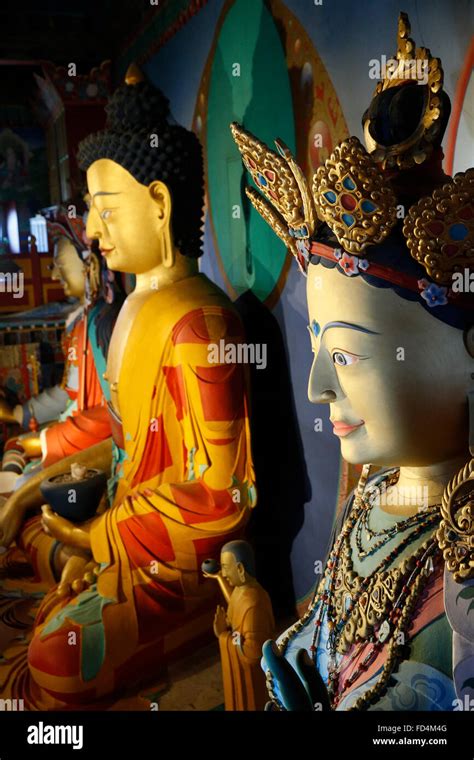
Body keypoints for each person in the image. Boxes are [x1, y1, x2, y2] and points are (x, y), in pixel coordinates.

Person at [231, 13, 474, 711]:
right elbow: (332, 621)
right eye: (316, 347)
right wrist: (296, 646)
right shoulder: (374, 494)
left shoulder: (468, 562)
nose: (315, 386)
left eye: (344, 353)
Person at [0, 65, 255, 709]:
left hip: (180, 565)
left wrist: (106, 537)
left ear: (161, 205)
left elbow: (225, 493)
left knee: (57, 655)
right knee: (44, 591)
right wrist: (70, 509)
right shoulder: (127, 315)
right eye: (91, 212)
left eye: (104, 210)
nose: (90, 231)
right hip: (128, 534)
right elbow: (121, 446)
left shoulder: (203, 323)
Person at [204, 540, 274, 710]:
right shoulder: (242, 590)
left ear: (240, 569)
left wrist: (223, 635)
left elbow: (253, 652)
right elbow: (235, 603)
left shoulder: (254, 603)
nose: (225, 573)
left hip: (253, 680)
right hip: (240, 674)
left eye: (226, 568)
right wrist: (219, 578)